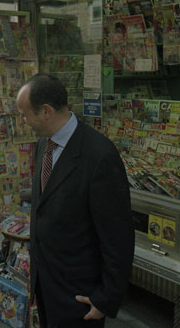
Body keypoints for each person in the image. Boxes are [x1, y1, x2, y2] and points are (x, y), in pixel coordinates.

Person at [16, 74, 135, 328]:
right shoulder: (43, 144)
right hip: (46, 286)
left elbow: (118, 238)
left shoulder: (99, 155)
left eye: (25, 115)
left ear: (46, 112)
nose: (22, 121)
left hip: (79, 298)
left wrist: (106, 299)